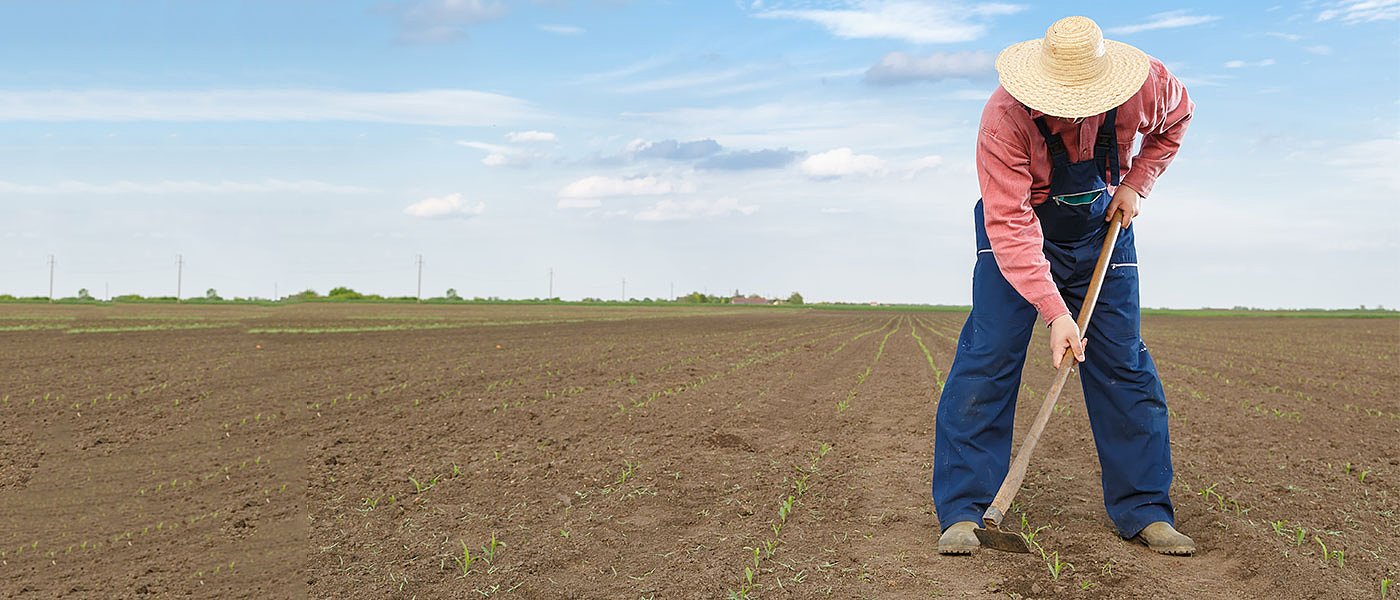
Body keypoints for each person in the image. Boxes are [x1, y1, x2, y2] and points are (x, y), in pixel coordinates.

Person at [932, 15, 1195, 556]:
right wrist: (1055, 314)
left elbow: (1178, 119)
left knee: (1124, 363)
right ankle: (965, 509)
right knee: (988, 356)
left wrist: (1136, 183)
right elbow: (1009, 222)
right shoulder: (1003, 118)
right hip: (1021, 232)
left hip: (1103, 229)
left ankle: (1145, 508)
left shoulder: (1147, 85)